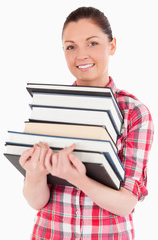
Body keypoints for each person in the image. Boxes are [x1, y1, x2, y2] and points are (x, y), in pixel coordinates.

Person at [19, 6, 154, 239]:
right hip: (50, 232)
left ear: (112, 46)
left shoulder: (134, 113)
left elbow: (125, 204)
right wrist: (35, 174)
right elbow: (36, 201)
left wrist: (78, 178)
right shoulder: (50, 106)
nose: (81, 55)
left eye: (92, 43)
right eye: (71, 46)